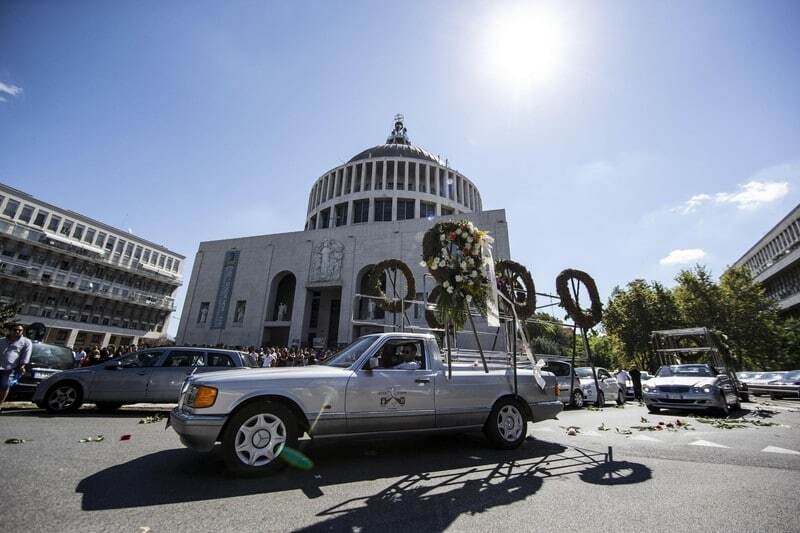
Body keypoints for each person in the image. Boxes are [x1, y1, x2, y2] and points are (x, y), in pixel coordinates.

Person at [1, 324, 33, 409]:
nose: (17, 332)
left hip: (10, 368)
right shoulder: (2, 340)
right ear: (10, 330)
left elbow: (26, 355)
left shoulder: (26, 342)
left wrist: (22, 366)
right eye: (15, 330)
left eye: (20, 330)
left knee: (5, 386)